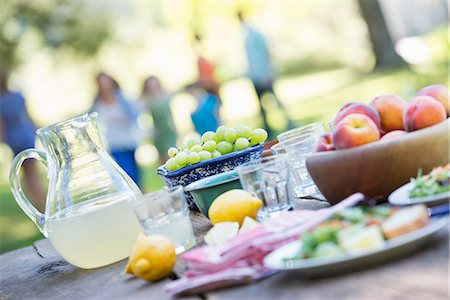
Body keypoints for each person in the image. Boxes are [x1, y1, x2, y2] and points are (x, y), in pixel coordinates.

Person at [237, 11, 294, 137]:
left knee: (275, 100)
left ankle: (289, 122)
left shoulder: (256, 34)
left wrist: (268, 72)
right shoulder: (245, 36)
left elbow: (266, 53)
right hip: (255, 76)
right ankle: (268, 128)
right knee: (261, 106)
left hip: (264, 75)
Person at [0, 69, 45, 212]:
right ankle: (41, 203)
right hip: (25, 133)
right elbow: (28, 116)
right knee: (33, 172)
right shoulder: (18, 96)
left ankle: (38, 206)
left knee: (27, 174)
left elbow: (2, 126)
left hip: (13, 137)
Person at [90, 72, 141, 186]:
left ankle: (140, 193)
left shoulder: (121, 98)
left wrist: (124, 119)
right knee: (126, 172)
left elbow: (134, 113)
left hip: (128, 140)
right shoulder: (97, 102)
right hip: (114, 143)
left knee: (135, 173)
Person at [140, 76, 178, 164]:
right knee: (163, 158)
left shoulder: (165, 96)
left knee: (171, 155)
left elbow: (170, 113)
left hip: (168, 130)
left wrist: (174, 127)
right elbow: (144, 117)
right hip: (158, 133)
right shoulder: (146, 100)